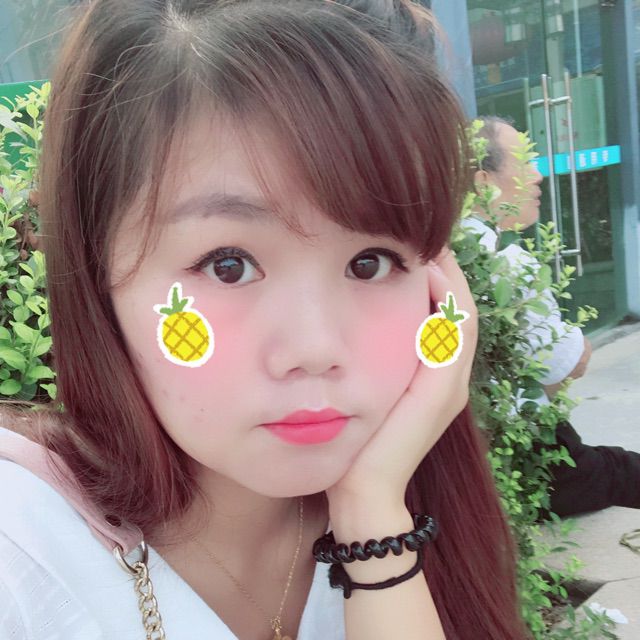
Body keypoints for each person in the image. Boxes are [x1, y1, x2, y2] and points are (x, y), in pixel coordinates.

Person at [0, 2, 529, 639]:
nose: (315, 347)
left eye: (370, 263)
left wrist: (373, 513)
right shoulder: (22, 552)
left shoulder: (421, 509)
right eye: (228, 266)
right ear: (95, 273)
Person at [468, 115, 640, 518]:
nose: (538, 175)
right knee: (619, 470)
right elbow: (566, 363)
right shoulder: (505, 264)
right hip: (520, 455)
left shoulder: (437, 252)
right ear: (483, 182)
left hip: (470, 457)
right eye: (525, 163)